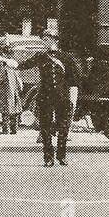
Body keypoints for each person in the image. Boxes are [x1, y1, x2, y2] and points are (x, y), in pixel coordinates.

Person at [28, 35, 72, 166]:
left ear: (54, 41)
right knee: (45, 128)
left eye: (47, 40)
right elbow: (23, 65)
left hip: (62, 97)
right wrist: (6, 62)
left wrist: (72, 100)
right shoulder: (40, 56)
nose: (44, 42)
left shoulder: (65, 58)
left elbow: (73, 81)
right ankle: (48, 158)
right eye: (44, 40)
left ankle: (61, 155)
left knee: (63, 127)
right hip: (45, 96)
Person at [0, 41, 23, 135]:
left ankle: (6, 130)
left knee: (5, 111)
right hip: (13, 90)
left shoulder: (5, 66)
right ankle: (14, 129)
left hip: (7, 91)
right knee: (14, 110)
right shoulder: (12, 65)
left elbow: (1, 79)